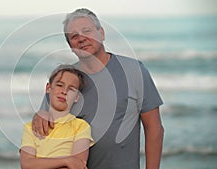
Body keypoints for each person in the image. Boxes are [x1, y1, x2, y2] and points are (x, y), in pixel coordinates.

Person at [32, 8, 164, 169]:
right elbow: (42, 132)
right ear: (71, 46)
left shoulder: (134, 71)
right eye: (74, 36)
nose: (81, 38)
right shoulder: (64, 80)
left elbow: (154, 128)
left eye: (87, 31)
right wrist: (40, 115)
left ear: (101, 33)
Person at [20, 64, 94, 169]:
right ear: (48, 88)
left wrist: (39, 163)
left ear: (77, 97)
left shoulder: (81, 126)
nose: (64, 92)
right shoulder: (30, 127)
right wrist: (66, 160)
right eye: (60, 85)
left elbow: (77, 165)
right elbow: (27, 164)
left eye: (71, 89)